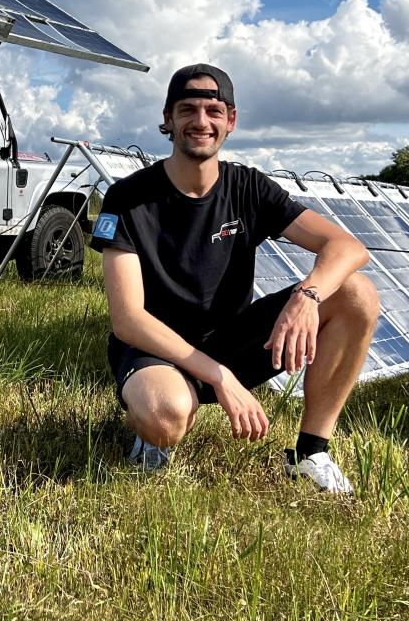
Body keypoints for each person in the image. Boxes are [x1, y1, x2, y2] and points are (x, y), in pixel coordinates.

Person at [90, 63, 378, 493]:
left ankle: (311, 453)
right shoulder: (127, 198)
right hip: (156, 347)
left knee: (357, 293)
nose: (201, 121)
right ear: (168, 119)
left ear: (231, 120)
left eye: (213, 111)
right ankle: (151, 431)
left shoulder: (248, 188)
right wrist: (219, 376)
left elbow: (348, 247)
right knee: (166, 417)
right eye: (187, 110)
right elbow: (128, 320)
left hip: (232, 341)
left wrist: (307, 296)